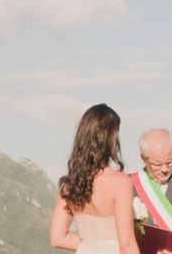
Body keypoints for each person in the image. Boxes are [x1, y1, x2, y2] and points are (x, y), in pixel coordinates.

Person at [49, 104, 139, 254]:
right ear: (110, 138)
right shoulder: (120, 182)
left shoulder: (70, 185)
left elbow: (57, 238)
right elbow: (127, 244)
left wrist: (91, 246)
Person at [131, 129, 172, 231]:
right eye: (157, 164)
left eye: (169, 162)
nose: (164, 169)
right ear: (143, 159)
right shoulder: (129, 185)